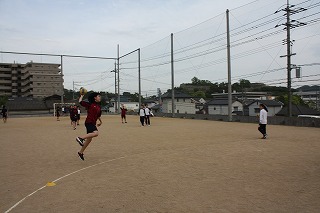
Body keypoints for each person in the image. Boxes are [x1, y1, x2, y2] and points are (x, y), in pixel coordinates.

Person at [76, 92, 102, 160]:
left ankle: (80, 152)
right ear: (95, 98)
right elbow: (80, 102)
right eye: (98, 96)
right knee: (96, 133)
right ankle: (80, 138)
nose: (100, 97)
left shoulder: (99, 107)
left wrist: (100, 122)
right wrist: (81, 96)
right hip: (88, 122)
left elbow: (98, 116)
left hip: (93, 123)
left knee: (89, 140)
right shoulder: (90, 104)